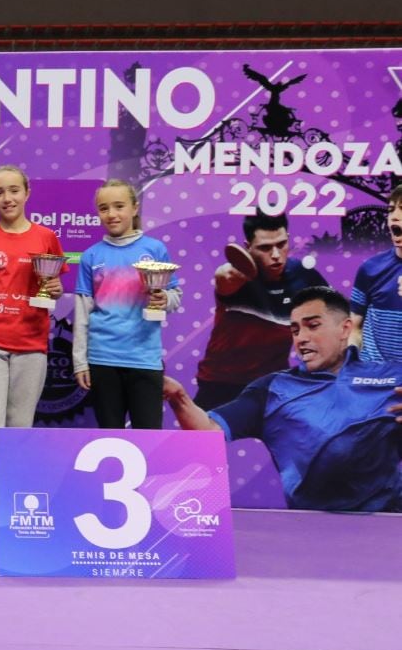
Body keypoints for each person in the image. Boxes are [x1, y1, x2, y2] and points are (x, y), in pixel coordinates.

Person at [164, 287, 402, 513]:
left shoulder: (391, 377)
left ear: (345, 328)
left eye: (313, 326)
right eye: (295, 330)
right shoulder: (272, 389)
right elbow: (208, 431)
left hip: (389, 521)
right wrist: (178, 397)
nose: (301, 338)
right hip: (311, 526)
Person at [0, 165, 65, 544]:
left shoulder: (46, 237)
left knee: (20, 430)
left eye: (14, 190)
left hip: (31, 345)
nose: (8, 198)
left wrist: (53, 289)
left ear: (27, 191)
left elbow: (54, 291)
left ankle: (17, 505)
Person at [73, 179, 181, 429]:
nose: (111, 214)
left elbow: (175, 297)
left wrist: (164, 299)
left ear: (135, 208)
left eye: (119, 206)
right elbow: (82, 314)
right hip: (102, 360)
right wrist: (80, 361)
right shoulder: (91, 255)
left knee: (148, 437)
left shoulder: (155, 249)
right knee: (110, 437)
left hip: (144, 359)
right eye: (104, 208)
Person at [193, 212, 327, 410]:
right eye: (265, 248)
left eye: (281, 244)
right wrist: (237, 271)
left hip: (272, 383)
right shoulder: (235, 277)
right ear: (248, 247)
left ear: (288, 240)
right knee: (200, 440)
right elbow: (224, 276)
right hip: (220, 382)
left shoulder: (303, 275)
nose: (275, 255)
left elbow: (333, 312)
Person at [350, 186, 402, 362]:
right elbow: (355, 327)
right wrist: (352, 360)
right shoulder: (370, 268)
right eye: (391, 209)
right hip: (375, 376)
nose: (394, 216)